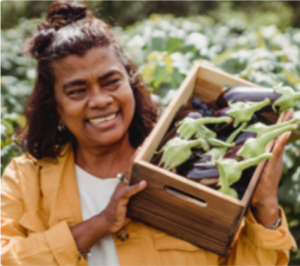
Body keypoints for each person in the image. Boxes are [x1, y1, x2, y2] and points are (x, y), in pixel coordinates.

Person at [1, 1, 297, 265]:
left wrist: (265, 206)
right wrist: (99, 224)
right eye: (78, 91)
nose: (101, 100)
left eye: (111, 82)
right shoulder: (26, 180)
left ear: (130, 83)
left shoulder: (193, 160)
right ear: (55, 107)